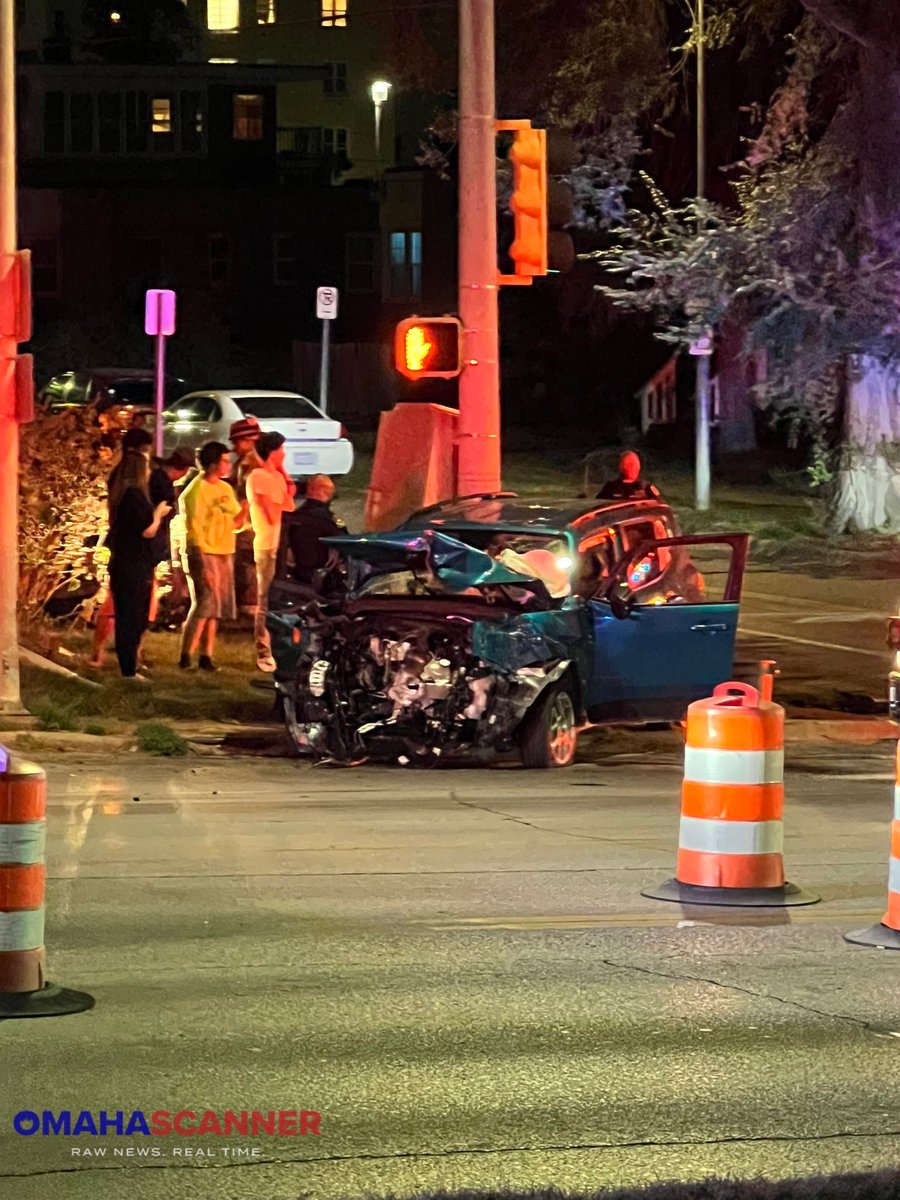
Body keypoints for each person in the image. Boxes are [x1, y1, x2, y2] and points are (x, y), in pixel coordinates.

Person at [89, 436, 192, 668]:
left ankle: (123, 654)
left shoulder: (122, 484)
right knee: (127, 608)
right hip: (135, 554)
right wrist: (158, 516)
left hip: (127, 552)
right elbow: (147, 528)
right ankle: (126, 657)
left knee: (125, 605)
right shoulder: (137, 492)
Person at [105, 451, 171, 679]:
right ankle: (128, 669)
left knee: (128, 615)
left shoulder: (121, 495)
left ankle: (129, 666)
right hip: (133, 564)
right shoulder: (133, 496)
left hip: (125, 562)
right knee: (132, 617)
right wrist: (159, 513)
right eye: (147, 468)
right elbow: (146, 530)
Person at [178, 441, 243, 672]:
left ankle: (207, 656)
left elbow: (236, 521)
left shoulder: (225, 489)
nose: (228, 465)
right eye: (225, 461)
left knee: (217, 606)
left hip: (224, 551)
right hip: (204, 551)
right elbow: (194, 528)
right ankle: (186, 655)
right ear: (214, 463)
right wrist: (200, 556)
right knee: (205, 603)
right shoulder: (196, 491)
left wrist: (246, 510)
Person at [246, 431, 295, 672]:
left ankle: (277, 645)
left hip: (278, 543)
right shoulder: (257, 476)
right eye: (282, 450)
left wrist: (284, 473)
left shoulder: (276, 476)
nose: (284, 454)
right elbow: (270, 510)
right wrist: (280, 504)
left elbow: (289, 503)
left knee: (277, 598)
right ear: (273, 451)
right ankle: (262, 649)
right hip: (265, 544)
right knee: (264, 598)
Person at [281, 474, 343, 585]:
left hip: (296, 575)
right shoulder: (327, 520)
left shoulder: (292, 517)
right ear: (323, 491)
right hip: (322, 579)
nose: (331, 495)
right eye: (330, 492)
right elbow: (344, 543)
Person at [227, 417, 262, 615]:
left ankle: (250, 606)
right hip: (249, 524)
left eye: (237, 442)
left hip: (248, 526)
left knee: (247, 563)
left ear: (250, 441)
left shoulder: (249, 465)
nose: (234, 447)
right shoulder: (245, 462)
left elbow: (247, 496)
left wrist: (240, 518)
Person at [596, 451, 661, 501]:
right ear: (621, 467)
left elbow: (659, 508)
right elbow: (599, 507)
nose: (633, 468)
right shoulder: (611, 488)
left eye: (635, 465)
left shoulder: (646, 489)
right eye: (629, 465)